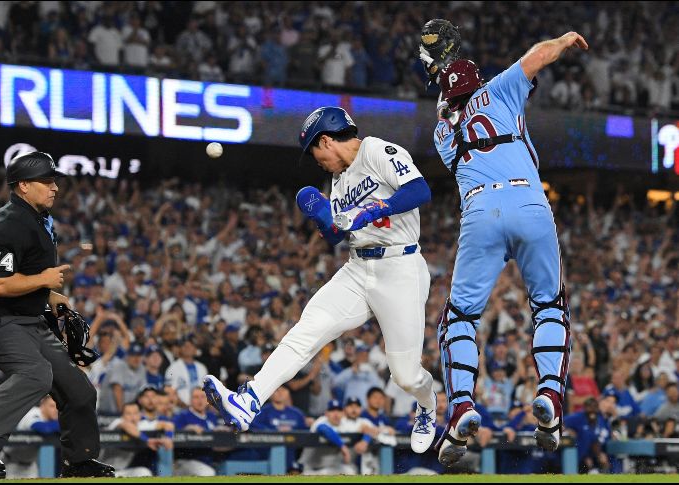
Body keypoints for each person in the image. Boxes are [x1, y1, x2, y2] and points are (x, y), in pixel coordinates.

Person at [204, 105, 438, 455]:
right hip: (357, 268)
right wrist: (323, 217)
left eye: (314, 151)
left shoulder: (376, 150)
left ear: (326, 140)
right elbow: (337, 236)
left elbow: (419, 190)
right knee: (307, 330)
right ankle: (248, 400)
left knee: (405, 375)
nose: (316, 161)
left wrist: (375, 209)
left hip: (400, 267)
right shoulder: (337, 181)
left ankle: (428, 405)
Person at [430, 31, 589, 465]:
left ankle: (461, 406)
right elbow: (537, 56)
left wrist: (441, 85)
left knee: (460, 317)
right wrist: (562, 40)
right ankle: (550, 395)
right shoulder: (498, 90)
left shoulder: (443, 133)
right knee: (549, 306)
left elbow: (449, 110)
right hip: (529, 201)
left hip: (480, 210)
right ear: (478, 83)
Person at [0, 151, 113, 478]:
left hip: (31, 320)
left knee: (79, 391)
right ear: (23, 185)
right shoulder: (9, 222)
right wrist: (43, 280)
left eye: (54, 181)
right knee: (36, 374)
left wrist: (50, 297)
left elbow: (25, 275)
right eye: (46, 181)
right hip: (0, 319)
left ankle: (79, 461)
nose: (55, 187)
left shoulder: (37, 218)